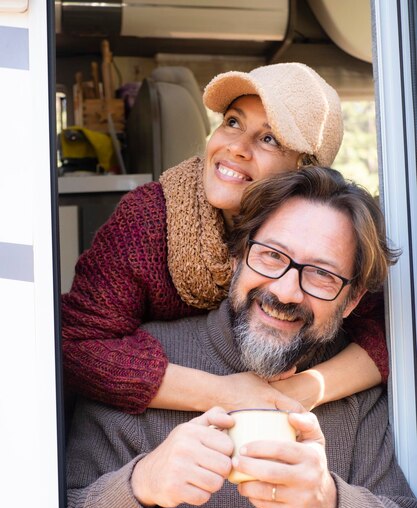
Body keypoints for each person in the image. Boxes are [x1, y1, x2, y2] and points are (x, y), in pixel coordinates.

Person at [66, 167, 417, 508]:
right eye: (271, 256)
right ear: (237, 258)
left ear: (351, 303)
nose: (285, 290)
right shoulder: (144, 365)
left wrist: (328, 506)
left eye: (322, 276)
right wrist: (143, 486)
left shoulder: (351, 389)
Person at [61, 62, 385, 416]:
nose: (236, 147)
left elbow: (390, 336)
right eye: (233, 122)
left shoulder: (328, 242)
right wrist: (223, 393)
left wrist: (302, 391)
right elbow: (74, 342)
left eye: (268, 139)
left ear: (304, 171)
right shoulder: (149, 220)